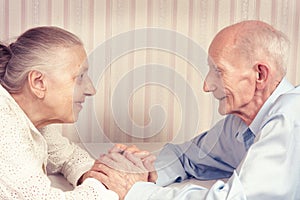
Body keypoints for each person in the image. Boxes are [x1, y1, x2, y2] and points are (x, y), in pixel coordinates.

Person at [95, 20, 300, 199]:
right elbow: (187, 156)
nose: (207, 85)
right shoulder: (240, 123)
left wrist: (135, 191)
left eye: (219, 71)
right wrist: (145, 171)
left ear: (260, 75)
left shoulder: (290, 118)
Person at [0, 27, 118, 199]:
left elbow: (68, 156)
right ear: (38, 82)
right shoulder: (5, 124)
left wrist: (100, 175)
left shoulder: (30, 118)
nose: (91, 90)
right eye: (80, 77)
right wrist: (110, 186)